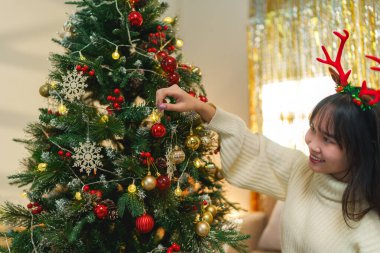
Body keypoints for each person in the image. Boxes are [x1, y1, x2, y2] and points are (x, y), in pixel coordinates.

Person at [155, 31, 380, 252]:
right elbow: (252, 147)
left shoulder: (371, 229)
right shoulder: (301, 171)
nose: (312, 143)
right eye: (313, 129)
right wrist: (198, 106)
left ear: (359, 149)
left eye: (328, 139)